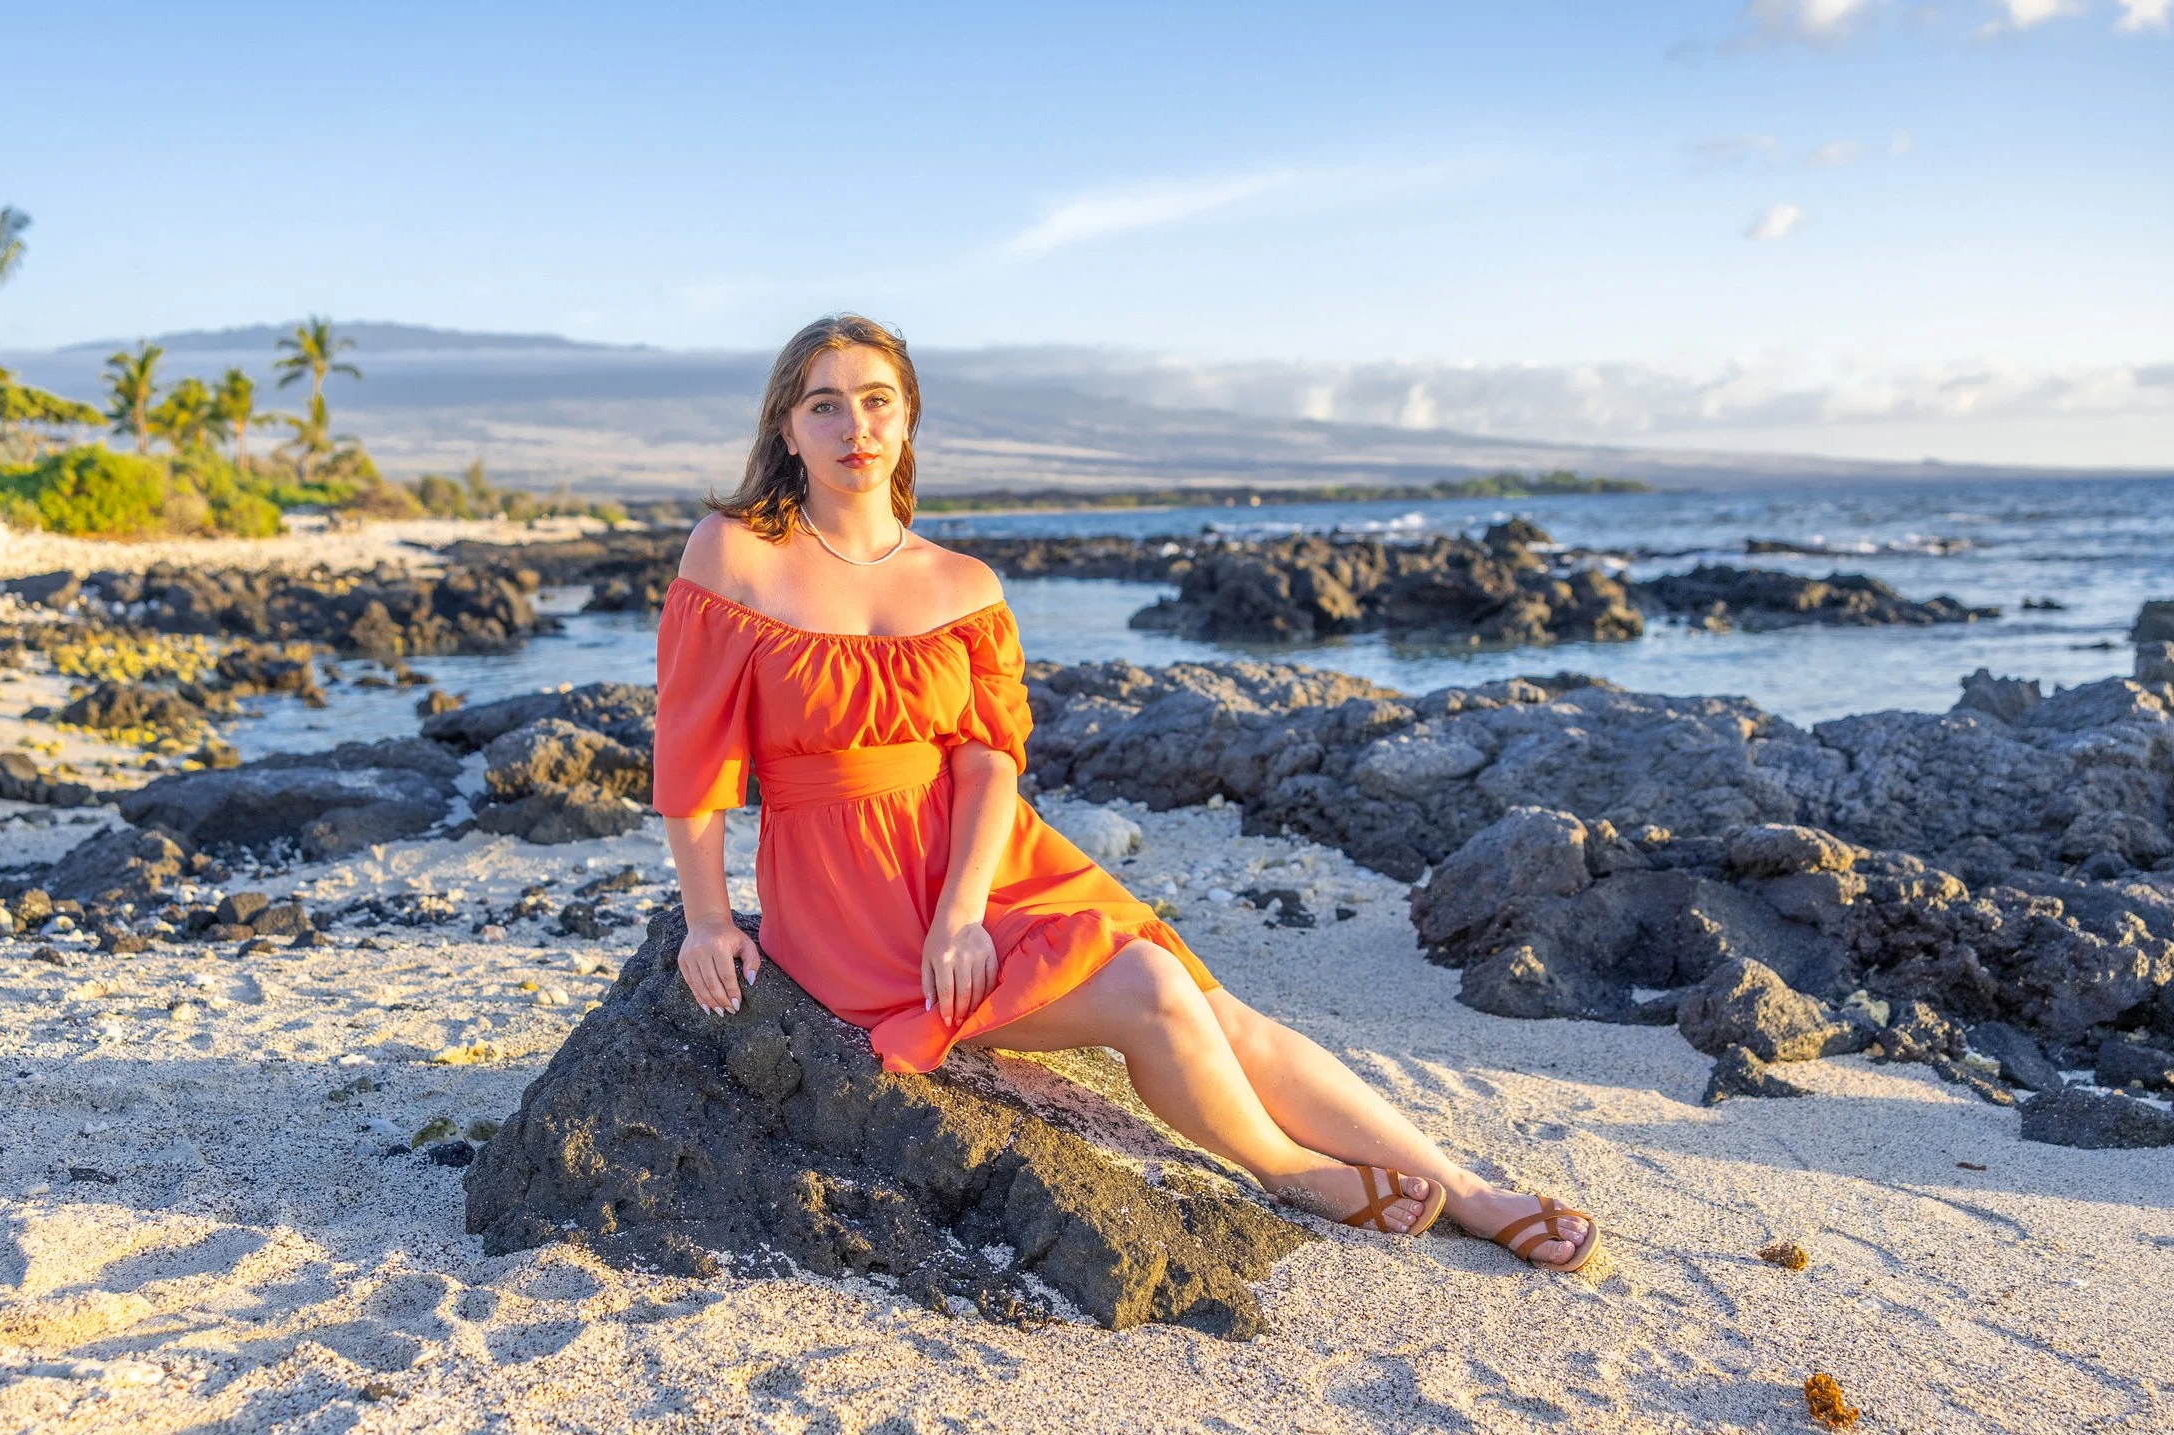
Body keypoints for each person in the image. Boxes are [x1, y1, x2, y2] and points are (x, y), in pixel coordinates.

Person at [653, 314, 1596, 1269]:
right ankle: (1287, 1169)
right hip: (848, 895)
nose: (853, 426)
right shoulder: (732, 553)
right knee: (1148, 988)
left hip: (984, 858)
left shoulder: (963, 583)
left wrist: (964, 912)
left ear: (907, 423)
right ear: (786, 427)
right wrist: (706, 918)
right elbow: (692, 761)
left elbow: (987, 760)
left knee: (1209, 1001)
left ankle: (1471, 1192)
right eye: (825, 405)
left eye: (876, 402)